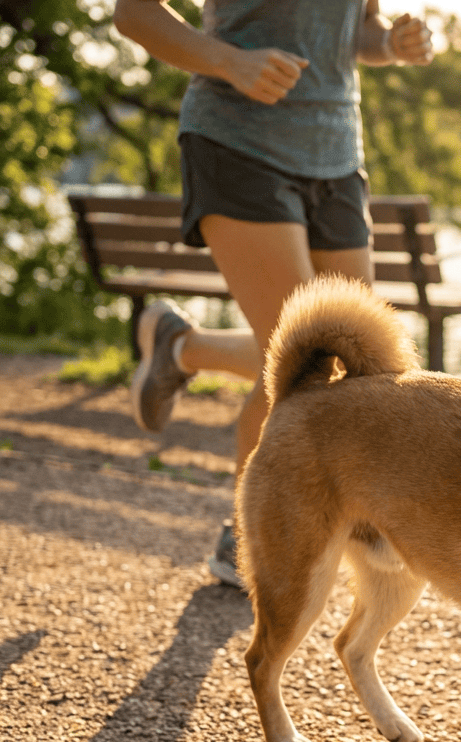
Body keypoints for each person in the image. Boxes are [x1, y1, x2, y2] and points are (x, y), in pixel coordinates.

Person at [112, 0, 433, 586]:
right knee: (299, 359)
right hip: (238, 144)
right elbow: (133, 14)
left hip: (336, 156)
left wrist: (391, 44)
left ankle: (181, 348)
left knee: (359, 360)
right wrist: (230, 62)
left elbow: (356, 27)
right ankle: (246, 535)